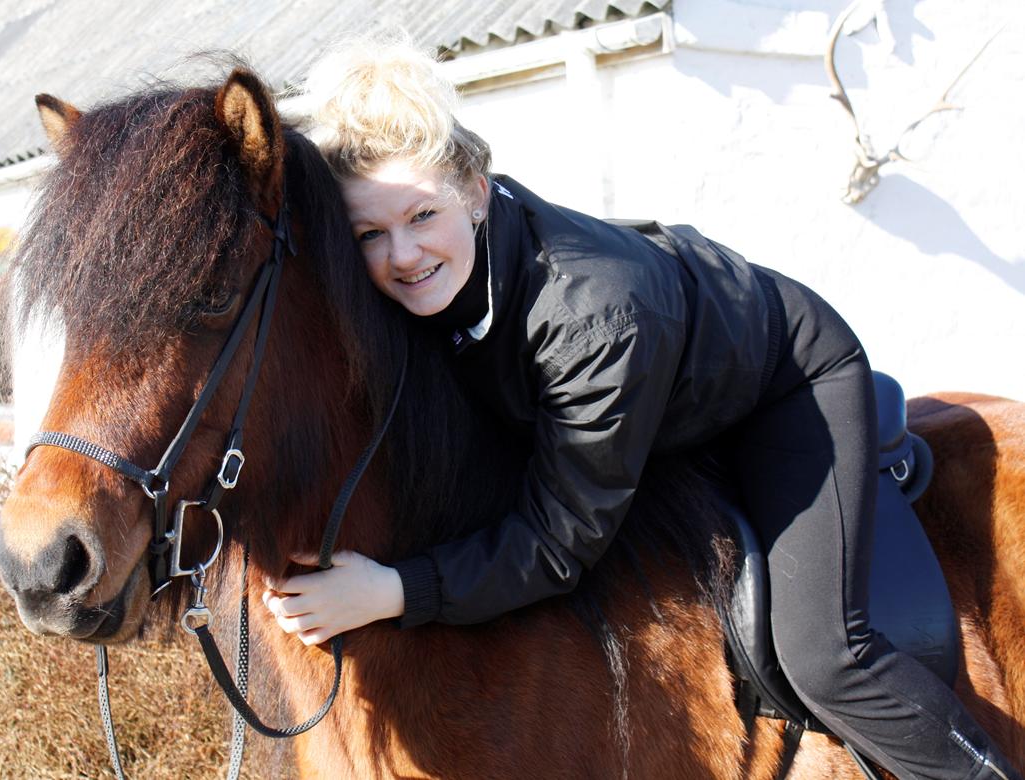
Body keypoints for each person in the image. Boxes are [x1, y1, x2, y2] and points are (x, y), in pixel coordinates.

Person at [259, 36, 1019, 779]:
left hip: (787, 387)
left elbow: (557, 546)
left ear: (477, 192)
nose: (402, 255)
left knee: (825, 657)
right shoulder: (424, 279)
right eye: (372, 232)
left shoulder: (593, 319)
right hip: (650, 388)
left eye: (423, 217)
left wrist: (391, 590)